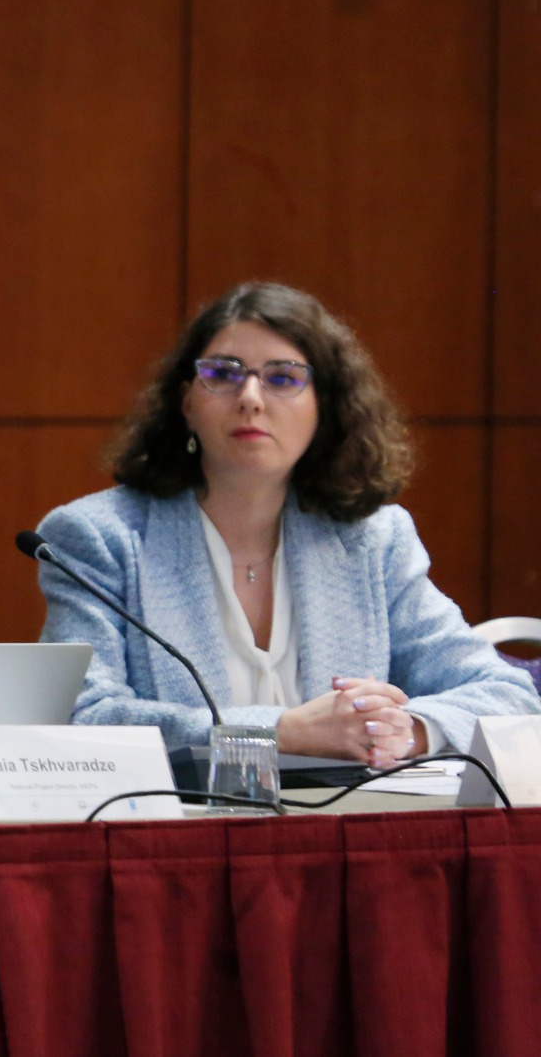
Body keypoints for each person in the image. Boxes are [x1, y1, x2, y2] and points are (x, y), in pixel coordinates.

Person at [36, 281, 539, 764]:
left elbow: (506, 693)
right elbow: (81, 716)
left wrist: (406, 730)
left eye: (282, 378)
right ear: (187, 402)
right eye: (223, 374)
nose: (251, 397)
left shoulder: (372, 539)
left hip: (353, 815)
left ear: (324, 408)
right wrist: (279, 732)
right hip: (176, 818)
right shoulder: (100, 537)